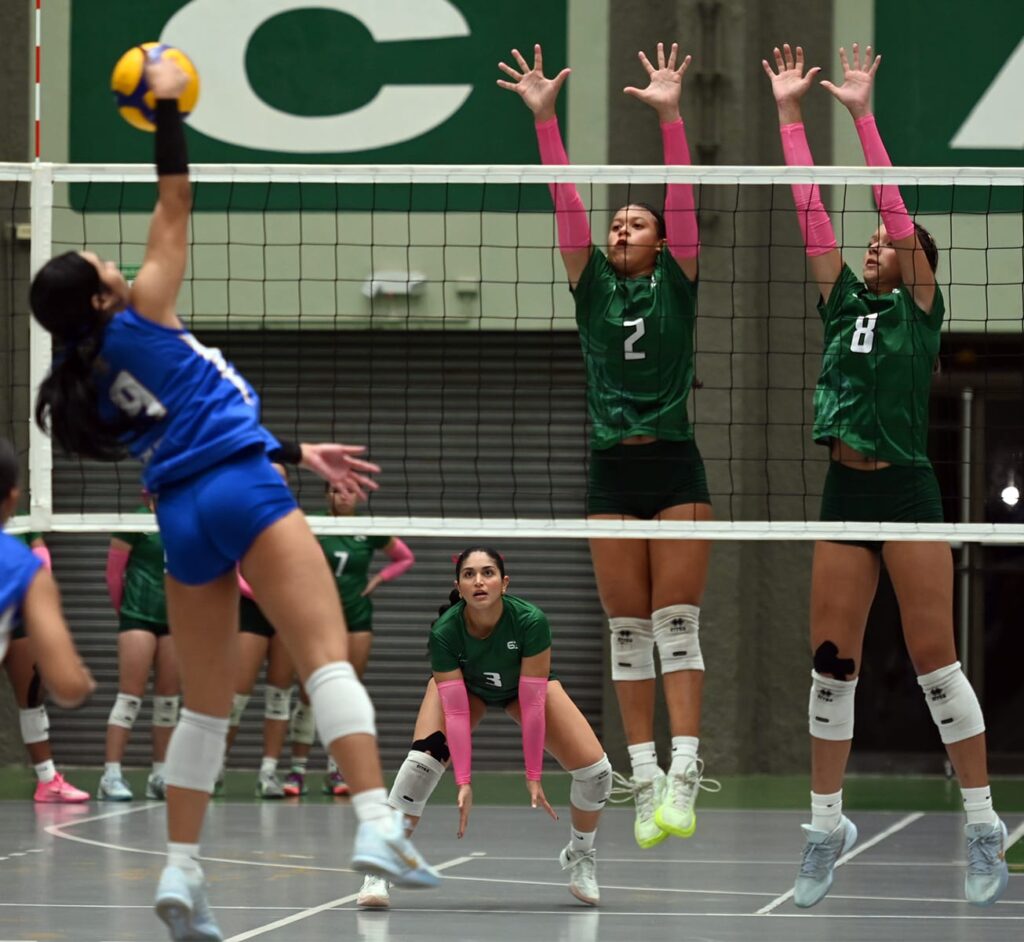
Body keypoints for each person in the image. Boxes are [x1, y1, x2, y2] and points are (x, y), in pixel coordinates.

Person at [29, 53, 438, 942]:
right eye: (102, 263)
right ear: (101, 296)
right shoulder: (141, 313)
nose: (117, 262)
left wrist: (298, 450)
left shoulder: (82, 376)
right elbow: (176, 199)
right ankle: (375, 820)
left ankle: (181, 871)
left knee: (206, 704)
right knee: (325, 656)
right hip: (243, 488)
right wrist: (167, 110)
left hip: (181, 512)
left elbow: (195, 419)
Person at [762, 42, 1008, 908]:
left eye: (886, 245)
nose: (873, 248)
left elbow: (895, 213)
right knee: (832, 665)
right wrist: (791, 116)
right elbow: (809, 211)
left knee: (938, 662)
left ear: (914, 263)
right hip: (845, 491)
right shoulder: (841, 304)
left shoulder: (921, 312)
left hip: (905, 487)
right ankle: (825, 827)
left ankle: (983, 823)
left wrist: (863, 116)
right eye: (867, 244)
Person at [498, 42, 716, 849]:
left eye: (638, 222)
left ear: (661, 242)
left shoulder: (679, 282)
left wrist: (671, 118)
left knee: (676, 624)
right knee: (628, 631)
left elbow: (684, 198)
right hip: (609, 468)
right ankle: (645, 774)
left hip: (674, 463)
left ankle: (685, 768)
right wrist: (544, 122)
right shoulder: (590, 284)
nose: (623, 227)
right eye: (617, 221)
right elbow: (566, 202)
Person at [357, 547, 613, 910]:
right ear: (458, 586)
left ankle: (580, 854)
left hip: (521, 691)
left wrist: (534, 775)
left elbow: (533, 703)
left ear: (504, 583)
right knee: (421, 765)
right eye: (469, 574)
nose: (479, 581)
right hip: (469, 690)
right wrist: (463, 781)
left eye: (488, 573)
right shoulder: (445, 632)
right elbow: (456, 712)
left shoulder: (530, 621)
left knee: (597, 774)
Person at [284, 483, 416, 798]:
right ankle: (297, 769)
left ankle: (337, 771)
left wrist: (378, 579)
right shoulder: (312, 523)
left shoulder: (367, 528)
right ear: (326, 494)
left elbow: (404, 557)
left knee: (347, 693)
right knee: (308, 692)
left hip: (356, 617)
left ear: (359, 495)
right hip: (318, 617)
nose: (343, 495)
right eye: (335, 490)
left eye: (349, 491)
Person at [0, 438, 95, 766]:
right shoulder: (24, 570)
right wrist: (80, 679)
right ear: (13, 499)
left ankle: (48, 777)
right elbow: (68, 687)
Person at [98, 493, 180, 801]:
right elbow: (112, 574)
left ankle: (161, 775)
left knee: (168, 702)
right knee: (130, 698)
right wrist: (125, 613)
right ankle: (110, 775)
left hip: (174, 621)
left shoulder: (186, 520)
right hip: (138, 617)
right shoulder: (135, 520)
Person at [5, 529, 90, 803]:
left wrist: (38, 600)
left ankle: (47, 780)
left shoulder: (23, 521)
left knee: (32, 696)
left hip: (18, 612)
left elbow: (39, 552)